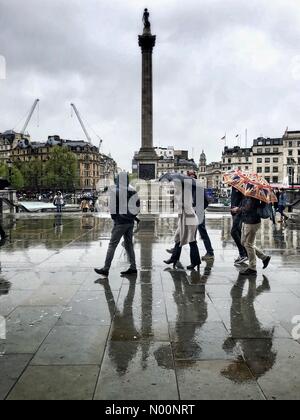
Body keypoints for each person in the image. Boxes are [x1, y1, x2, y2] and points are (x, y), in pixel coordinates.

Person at [94, 172, 140, 277]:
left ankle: (106, 269)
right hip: (130, 222)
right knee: (129, 245)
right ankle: (133, 267)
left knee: (112, 245)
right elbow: (138, 206)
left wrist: (116, 219)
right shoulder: (133, 191)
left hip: (120, 222)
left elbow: (112, 209)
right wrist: (132, 216)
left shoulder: (115, 191)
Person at [167, 171, 214, 262]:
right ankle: (176, 252)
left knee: (201, 233)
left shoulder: (198, 186)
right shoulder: (187, 188)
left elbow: (207, 200)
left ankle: (210, 252)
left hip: (198, 213)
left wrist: (198, 209)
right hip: (189, 213)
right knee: (183, 233)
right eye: (189, 176)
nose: (191, 178)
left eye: (192, 176)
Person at [164, 176, 201, 271]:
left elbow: (187, 206)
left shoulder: (186, 192)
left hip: (190, 219)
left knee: (192, 241)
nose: (174, 186)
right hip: (184, 219)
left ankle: (195, 262)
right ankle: (174, 258)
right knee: (178, 238)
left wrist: (179, 202)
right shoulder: (180, 193)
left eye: (176, 184)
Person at [232, 197, 271, 276]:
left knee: (248, 244)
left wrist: (237, 209)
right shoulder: (248, 194)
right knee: (243, 242)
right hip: (246, 221)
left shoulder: (253, 195)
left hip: (252, 222)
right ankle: (264, 257)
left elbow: (248, 207)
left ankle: (252, 268)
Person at [231, 187, 248, 265]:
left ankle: (243, 253)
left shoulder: (240, 186)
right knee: (238, 233)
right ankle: (244, 253)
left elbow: (244, 199)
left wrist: (238, 208)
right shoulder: (235, 186)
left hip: (239, 213)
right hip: (235, 212)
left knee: (234, 232)